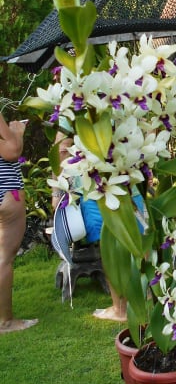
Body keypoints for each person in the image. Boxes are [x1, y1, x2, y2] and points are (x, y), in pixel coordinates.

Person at [52, 132, 129, 322]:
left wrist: (58, 192)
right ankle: (143, 298)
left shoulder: (73, 116)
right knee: (133, 242)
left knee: (109, 247)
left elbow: (61, 150)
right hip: (128, 181)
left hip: (94, 188)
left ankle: (120, 309)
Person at [0, 112, 38, 333]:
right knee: (4, 258)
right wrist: (18, 132)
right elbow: (12, 151)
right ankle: (6, 321)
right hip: (7, 190)